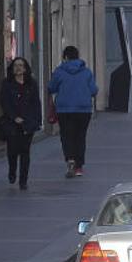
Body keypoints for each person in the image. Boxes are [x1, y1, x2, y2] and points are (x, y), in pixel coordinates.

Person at [48, 46, 99, 178]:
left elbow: (51, 87)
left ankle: (70, 159)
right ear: (78, 56)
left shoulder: (59, 72)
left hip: (64, 110)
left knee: (66, 135)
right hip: (83, 110)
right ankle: (79, 167)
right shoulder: (87, 72)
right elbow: (94, 90)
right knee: (80, 136)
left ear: (65, 57)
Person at [0, 57, 43, 190]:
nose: (18, 68)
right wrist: (14, 117)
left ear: (25, 68)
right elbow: (4, 102)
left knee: (25, 151)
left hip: (28, 123)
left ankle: (23, 180)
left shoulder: (32, 84)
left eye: (21, 65)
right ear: (12, 69)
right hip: (12, 123)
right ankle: (12, 171)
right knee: (12, 150)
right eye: (16, 66)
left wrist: (36, 120)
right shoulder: (7, 84)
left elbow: (36, 103)